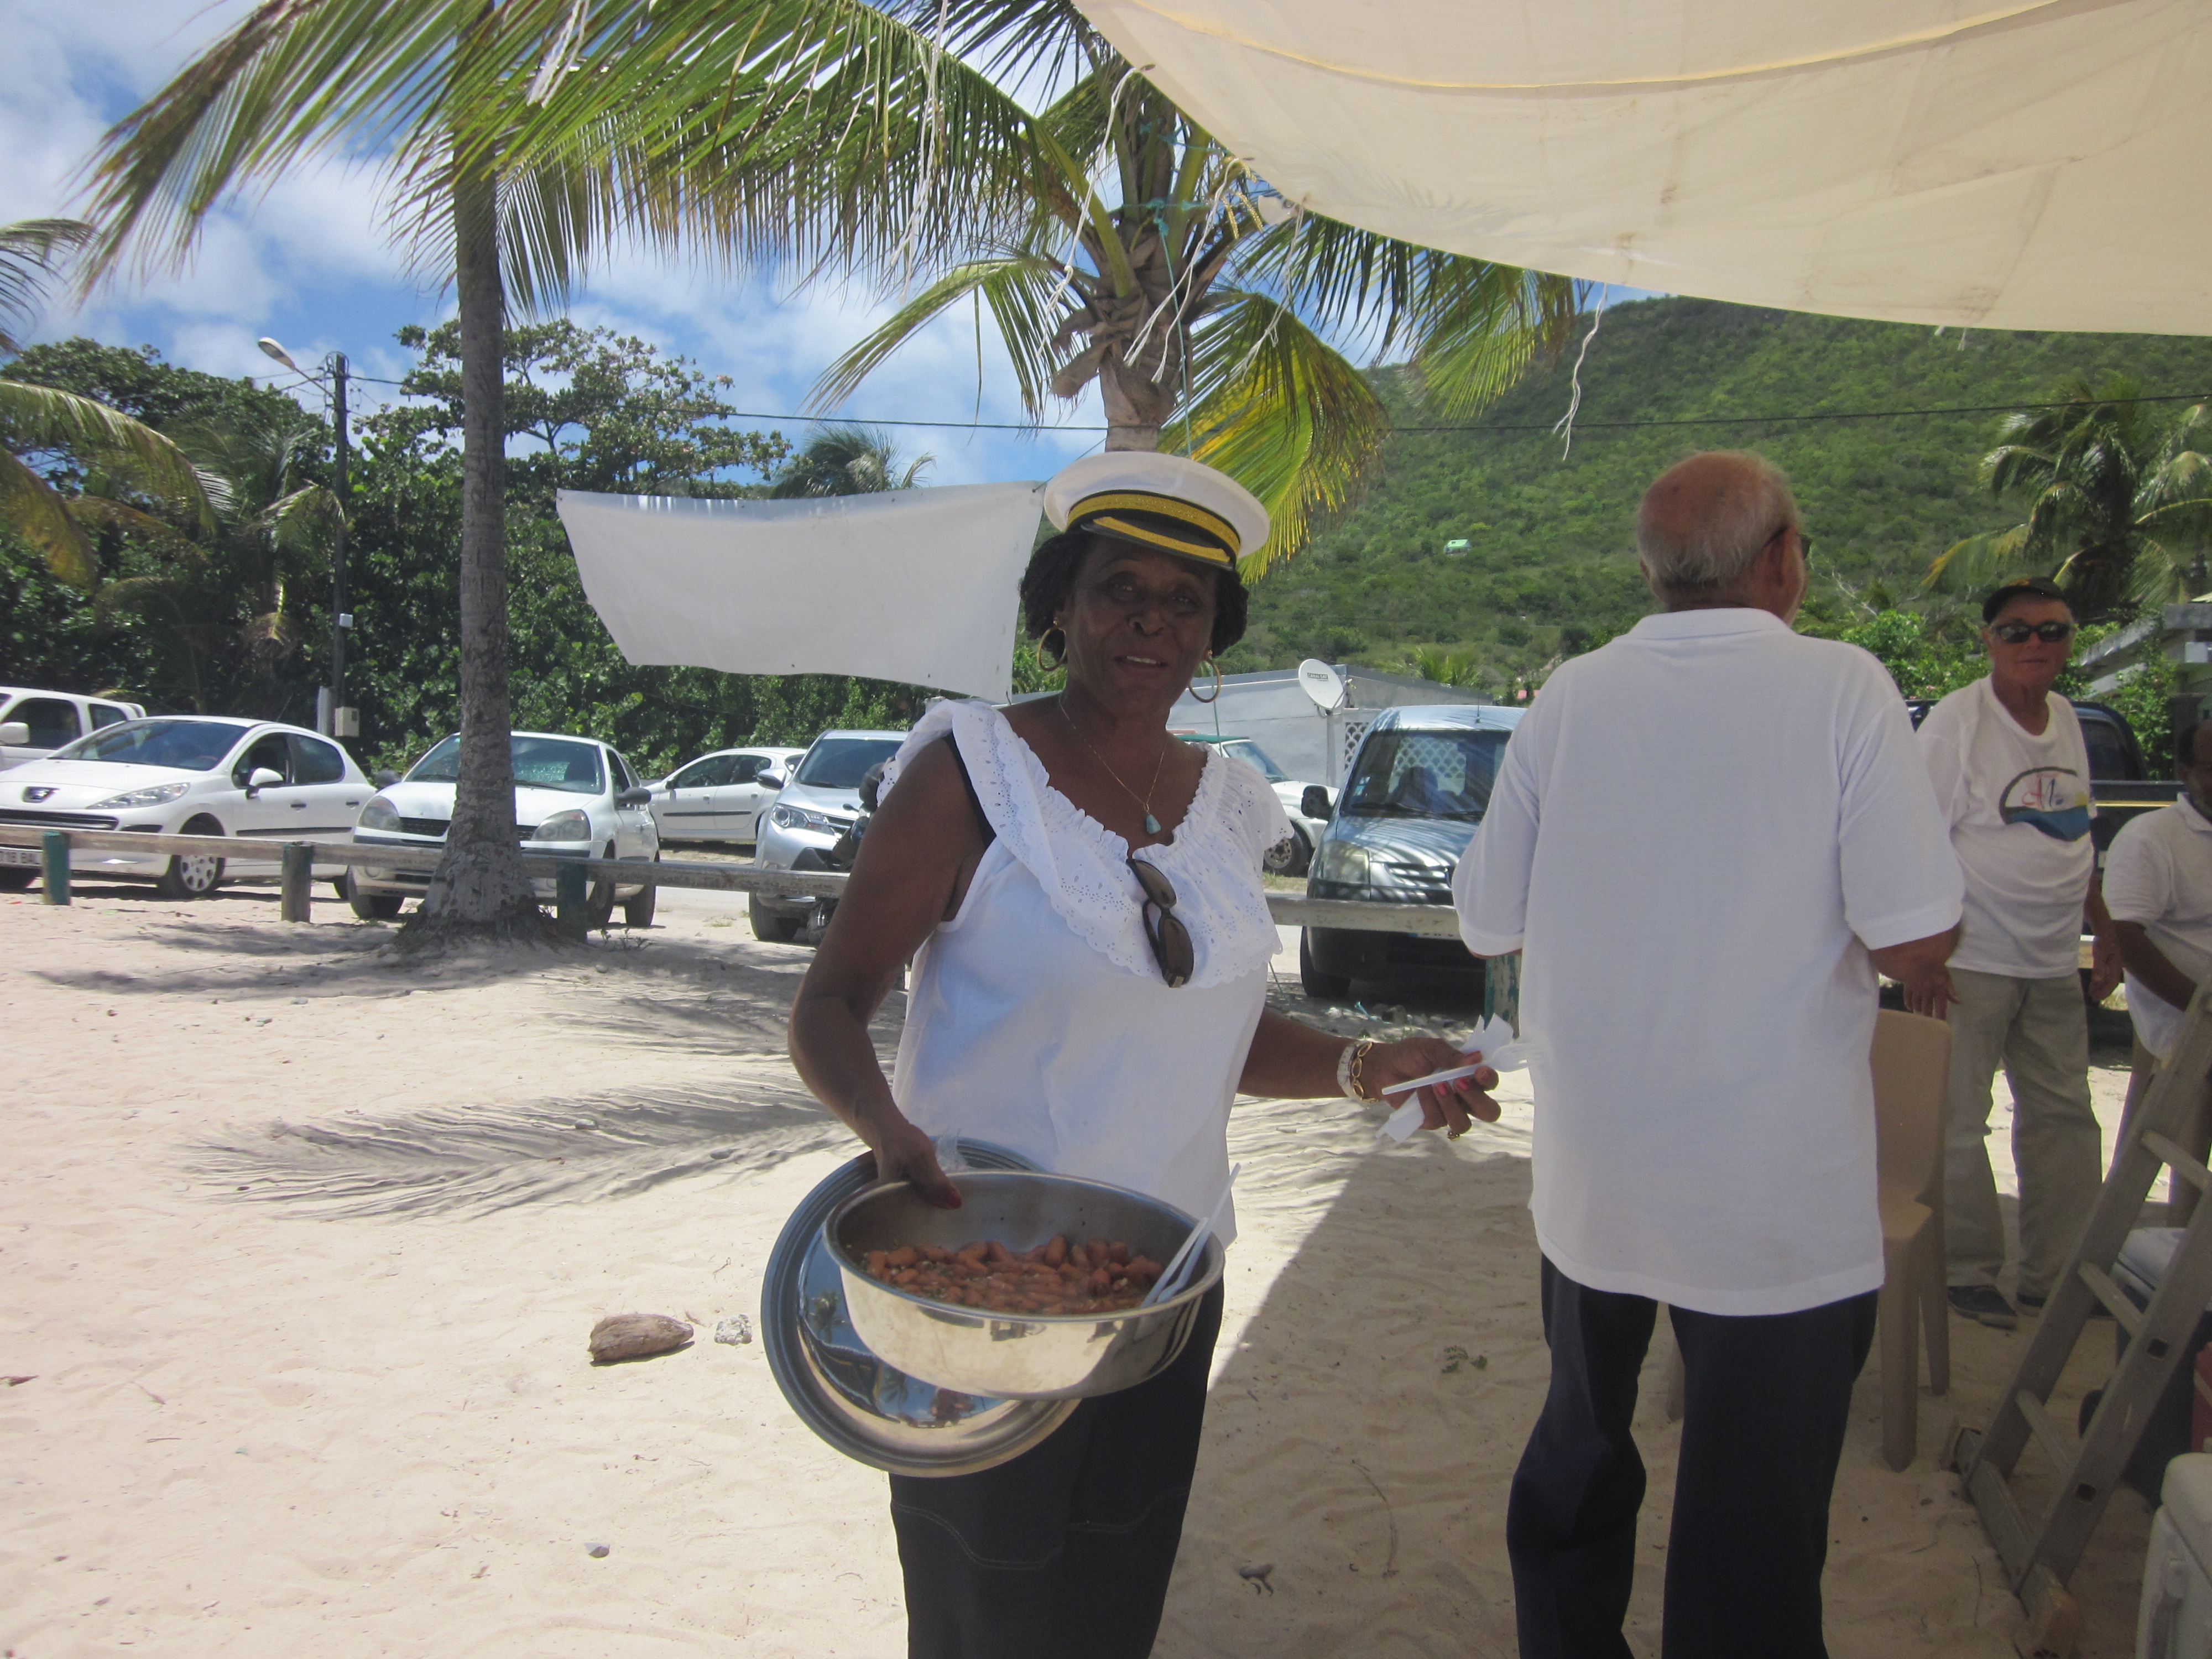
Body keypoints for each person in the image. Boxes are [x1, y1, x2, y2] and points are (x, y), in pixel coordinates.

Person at [787, 451, 1495, 1659]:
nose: (1150, 621)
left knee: (1117, 1596)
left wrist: (1361, 1065)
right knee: (984, 1608)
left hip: (1167, 1285)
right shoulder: (968, 774)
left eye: (1184, 601)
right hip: (982, 1282)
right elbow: (829, 1005)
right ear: (1061, 604)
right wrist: (885, 1131)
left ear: (1213, 633)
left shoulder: (1231, 804)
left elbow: (1211, 1028)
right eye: (1120, 587)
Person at [1453, 450, 1963, 1658]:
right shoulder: (1843, 687)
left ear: (1651, 573)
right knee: (1753, 1519)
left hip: (1599, 1177)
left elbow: (1484, 917)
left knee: (1578, 1453)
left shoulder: (1570, 695)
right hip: (1772, 1192)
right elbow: (1913, 937)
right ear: (1784, 561)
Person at [1916, 577, 2122, 1330]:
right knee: (1957, 1122)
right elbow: (1915, 842)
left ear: (2069, 640)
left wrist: (2105, 931)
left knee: (2065, 1117)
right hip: (1970, 960)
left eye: (2052, 630)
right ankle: (1966, 1272)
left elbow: (2075, 833)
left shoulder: (2065, 718)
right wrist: (1926, 955)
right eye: (2016, 631)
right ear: (1988, 640)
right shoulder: (1956, 724)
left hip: (2052, 959)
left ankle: (2054, 1276)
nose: (2035, 643)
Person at [2104, 718, 2212, 1222]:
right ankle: (2188, 1237)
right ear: (2186, 772)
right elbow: (2124, 938)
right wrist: (2201, 1006)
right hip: (2187, 1015)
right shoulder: (2153, 837)